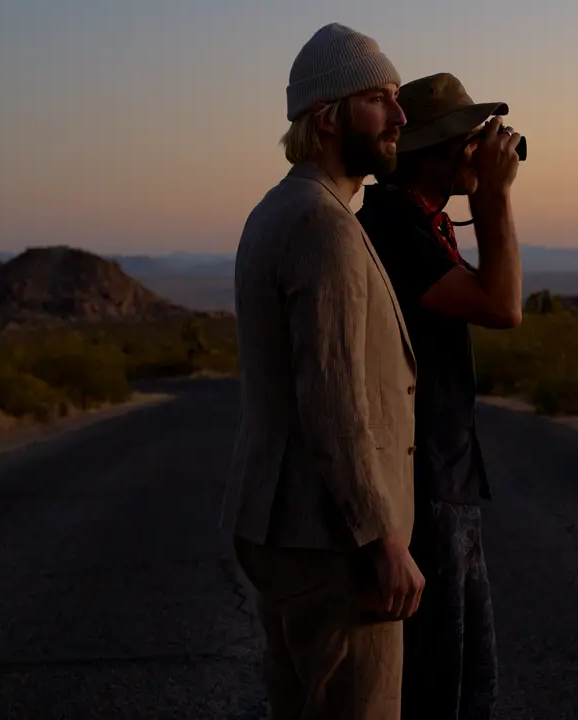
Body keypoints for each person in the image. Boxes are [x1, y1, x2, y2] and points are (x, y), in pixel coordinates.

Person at [223, 23, 425, 720]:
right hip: (331, 543)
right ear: (329, 116)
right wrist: (382, 538)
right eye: (381, 99)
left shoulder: (274, 211)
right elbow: (333, 401)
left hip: (286, 529)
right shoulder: (323, 227)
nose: (401, 117)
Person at [355, 72, 524, 720]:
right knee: (439, 686)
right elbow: (501, 305)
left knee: (468, 680)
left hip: (445, 473)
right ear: (440, 150)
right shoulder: (395, 230)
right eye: (473, 139)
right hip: (423, 481)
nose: (486, 150)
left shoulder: (419, 223)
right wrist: (497, 201)